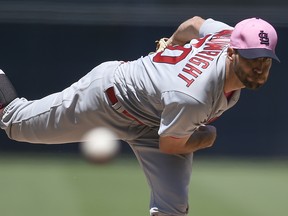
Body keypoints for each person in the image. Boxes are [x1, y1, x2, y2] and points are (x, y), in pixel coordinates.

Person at [0, 16, 279, 216]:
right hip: (109, 100)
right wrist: (206, 139)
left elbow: (194, 23)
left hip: (156, 117)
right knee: (14, 123)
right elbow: (169, 144)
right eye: (251, 59)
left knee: (173, 208)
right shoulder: (193, 95)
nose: (258, 67)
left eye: (264, 60)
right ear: (232, 53)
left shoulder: (226, 34)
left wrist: (172, 42)